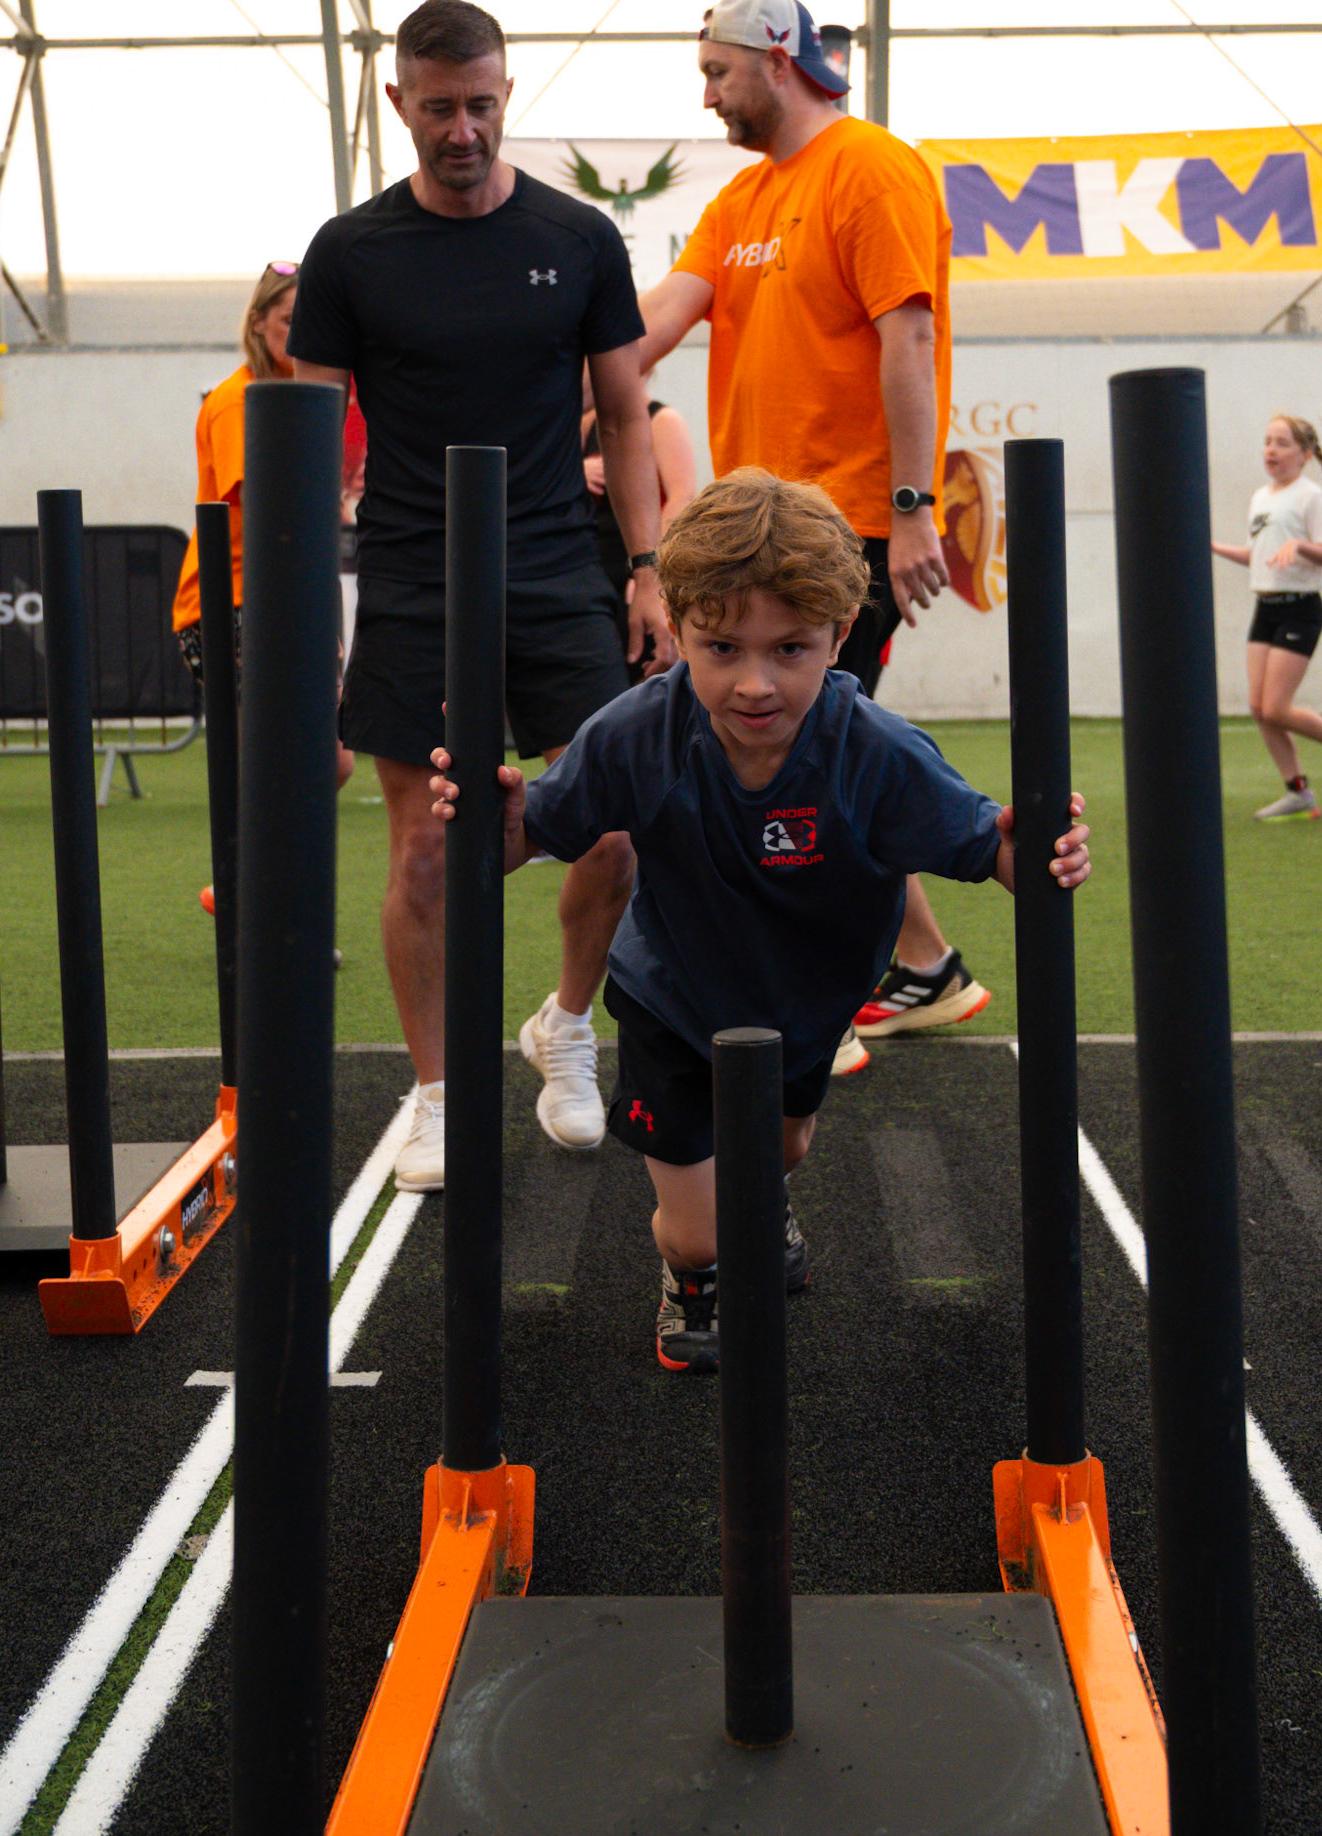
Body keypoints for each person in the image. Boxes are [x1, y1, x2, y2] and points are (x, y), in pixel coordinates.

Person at [430, 469, 1090, 1371]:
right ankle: (691, 1276)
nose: (754, 683)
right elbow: (527, 836)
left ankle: (759, 1200)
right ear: (676, 628)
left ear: (840, 637)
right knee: (702, 1231)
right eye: (721, 648)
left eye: (789, 650)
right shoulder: (637, 732)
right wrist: (493, 820)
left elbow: (987, 847)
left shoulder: (875, 752)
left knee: (782, 1149)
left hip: (805, 1003)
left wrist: (1039, 853)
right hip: (671, 996)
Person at [287, 0, 675, 1190]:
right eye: (441, 108)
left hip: (557, 564)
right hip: (412, 573)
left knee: (612, 828)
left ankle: (567, 1024)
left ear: (509, 96)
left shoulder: (579, 235)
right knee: (425, 849)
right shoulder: (351, 251)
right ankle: (439, 1092)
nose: (464, 129)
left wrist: (649, 567)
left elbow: (625, 413)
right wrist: (301, 606)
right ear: (398, 102)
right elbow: (304, 431)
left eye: (484, 105)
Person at [634, 0, 990, 1078]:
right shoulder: (742, 197)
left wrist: (913, 508)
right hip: (758, 532)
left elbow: (909, 338)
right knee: (812, 747)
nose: (705, 93)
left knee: (797, 762)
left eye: (716, 70)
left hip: (846, 532)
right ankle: (925, 966)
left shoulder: (870, 168)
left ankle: (812, 1004)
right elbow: (648, 330)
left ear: (777, 59)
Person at [171, 259, 355, 887]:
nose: (303, 332)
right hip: (232, 603)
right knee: (286, 761)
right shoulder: (238, 399)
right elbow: (266, 503)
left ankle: (254, 886)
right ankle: (249, 892)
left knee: (329, 762)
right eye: (289, 319)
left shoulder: (307, 393)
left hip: (286, 596)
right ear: (257, 322)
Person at [1210, 415, 1322, 821]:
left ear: (1305, 454)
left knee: (1276, 707)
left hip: (1300, 609)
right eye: (1267, 441)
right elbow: (1257, 555)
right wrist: (1212, 546)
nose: (1271, 450)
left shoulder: (1311, 497)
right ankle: (1298, 792)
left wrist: (1301, 545)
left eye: (1282, 443)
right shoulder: (1261, 497)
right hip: (1266, 607)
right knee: (1260, 708)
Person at [582, 375, 696, 678]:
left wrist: (650, 565)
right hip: (594, 560)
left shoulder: (662, 420)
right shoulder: (586, 423)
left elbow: (681, 497)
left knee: (636, 660)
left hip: (635, 559)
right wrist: (579, 471)